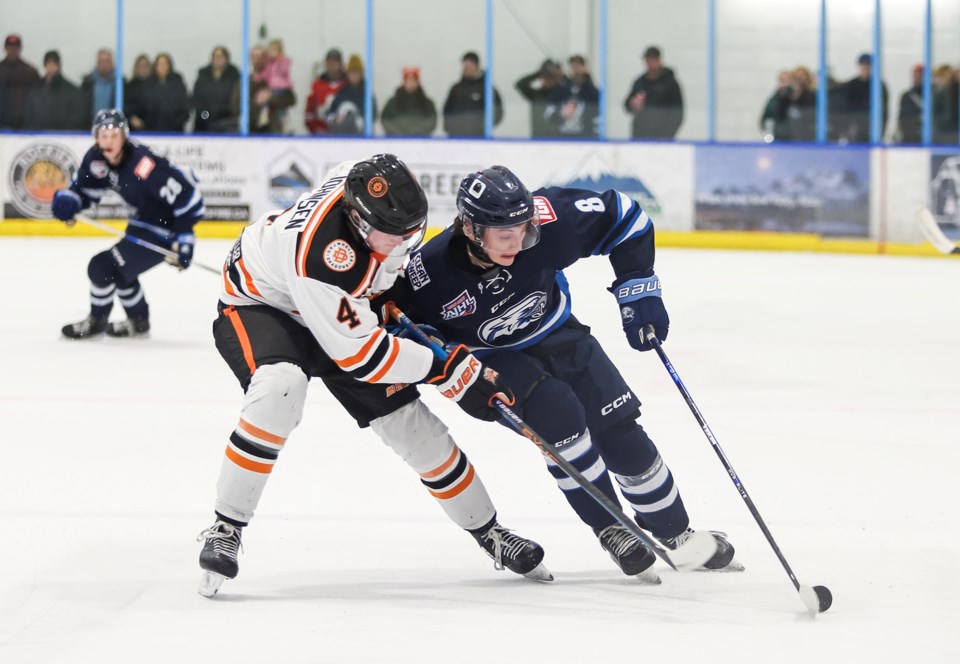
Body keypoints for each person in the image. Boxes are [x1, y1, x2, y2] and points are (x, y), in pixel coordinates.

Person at [196, 153, 549, 597]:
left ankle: (489, 531)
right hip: (263, 306)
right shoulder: (322, 257)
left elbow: (370, 291)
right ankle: (225, 526)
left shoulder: (370, 190)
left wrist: (385, 303)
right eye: (390, 235)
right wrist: (442, 366)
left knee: (413, 427)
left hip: (337, 307)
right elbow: (362, 357)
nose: (402, 242)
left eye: (410, 232)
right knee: (279, 389)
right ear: (358, 222)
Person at [378, 165, 742, 582]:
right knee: (561, 419)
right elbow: (394, 324)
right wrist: (433, 352)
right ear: (471, 228)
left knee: (619, 426)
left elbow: (626, 216)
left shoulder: (550, 220)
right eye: (505, 236)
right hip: (492, 358)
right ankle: (612, 528)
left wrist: (638, 285)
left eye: (524, 230)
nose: (519, 243)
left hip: (558, 332)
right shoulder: (428, 273)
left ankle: (677, 534)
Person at [50, 109, 205, 339]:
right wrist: (69, 201)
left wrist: (185, 240)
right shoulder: (96, 159)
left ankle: (97, 321)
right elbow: (84, 190)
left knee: (102, 267)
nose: (109, 141)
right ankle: (138, 322)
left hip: (165, 229)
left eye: (114, 135)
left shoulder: (144, 164)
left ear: (125, 136)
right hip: (141, 222)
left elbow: (190, 199)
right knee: (122, 273)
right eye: (103, 135)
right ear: (96, 138)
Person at [624, 46, 683, 139]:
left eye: (653, 60)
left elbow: (678, 113)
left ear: (659, 60)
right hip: (640, 135)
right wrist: (633, 104)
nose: (650, 63)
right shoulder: (640, 82)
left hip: (662, 137)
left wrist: (667, 135)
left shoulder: (670, 83)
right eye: (648, 60)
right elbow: (627, 106)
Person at [442, 51, 503, 137]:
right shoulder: (456, 88)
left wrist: (482, 127)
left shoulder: (486, 88)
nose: (466, 67)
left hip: (478, 137)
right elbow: (447, 110)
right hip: (456, 137)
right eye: (464, 64)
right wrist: (450, 128)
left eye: (470, 64)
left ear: (477, 65)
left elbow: (497, 111)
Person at [831, 53, 888, 144]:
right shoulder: (851, 85)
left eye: (868, 65)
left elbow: (884, 109)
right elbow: (846, 108)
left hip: (872, 129)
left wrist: (881, 130)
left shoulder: (879, 85)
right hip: (855, 130)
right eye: (863, 65)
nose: (865, 68)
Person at [24, 50, 86, 130]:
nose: (51, 67)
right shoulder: (36, 89)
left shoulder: (71, 91)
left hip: (63, 137)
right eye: (49, 63)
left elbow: (77, 116)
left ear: (59, 65)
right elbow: (29, 114)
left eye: (54, 63)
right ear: (45, 65)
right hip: (38, 135)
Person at [543, 54, 599, 139]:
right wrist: (560, 114)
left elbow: (599, 116)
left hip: (586, 138)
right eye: (573, 66)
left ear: (585, 68)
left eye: (579, 65)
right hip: (563, 138)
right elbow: (548, 114)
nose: (576, 69)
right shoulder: (560, 91)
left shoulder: (593, 93)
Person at [193, 45, 240, 133]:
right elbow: (197, 99)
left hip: (227, 123)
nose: (218, 59)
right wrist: (205, 116)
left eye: (221, 56)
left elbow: (235, 100)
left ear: (226, 59)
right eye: (215, 56)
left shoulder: (234, 77)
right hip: (204, 123)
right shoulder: (203, 76)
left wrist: (224, 115)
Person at [381, 66, 438, 137]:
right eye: (408, 81)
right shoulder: (392, 102)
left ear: (418, 82)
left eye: (413, 81)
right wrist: (399, 133)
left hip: (420, 142)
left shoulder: (427, 103)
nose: (410, 84)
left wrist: (416, 133)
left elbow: (431, 121)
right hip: (397, 141)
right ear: (404, 82)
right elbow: (385, 120)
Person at [139, 53, 190, 132]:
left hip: (175, 130)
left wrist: (177, 123)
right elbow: (144, 107)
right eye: (160, 64)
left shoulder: (178, 84)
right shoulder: (148, 85)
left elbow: (185, 107)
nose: (162, 67)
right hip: (152, 130)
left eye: (165, 64)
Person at [515, 58, 565, 138]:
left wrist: (560, 75)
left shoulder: (562, 94)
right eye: (544, 77)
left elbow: (573, 86)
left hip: (558, 139)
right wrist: (538, 73)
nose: (546, 80)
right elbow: (520, 84)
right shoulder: (536, 95)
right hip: (538, 139)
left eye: (550, 77)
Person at [326, 53, 375, 135]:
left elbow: (373, 115)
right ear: (347, 74)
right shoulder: (342, 93)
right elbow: (329, 115)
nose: (354, 75)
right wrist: (335, 119)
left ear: (361, 74)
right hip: (341, 137)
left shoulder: (367, 94)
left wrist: (359, 120)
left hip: (361, 136)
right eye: (352, 72)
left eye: (357, 72)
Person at [0, 33, 40, 129]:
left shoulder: (30, 72)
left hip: (26, 125)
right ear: (5, 49)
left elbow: (39, 98)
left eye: (15, 47)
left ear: (20, 49)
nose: (12, 50)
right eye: (10, 47)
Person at [305, 48, 346, 133]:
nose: (332, 66)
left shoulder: (347, 85)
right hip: (321, 135)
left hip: (343, 134)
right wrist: (317, 128)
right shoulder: (317, 85)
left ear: (341, 64)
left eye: (335, 63)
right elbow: (310, 114)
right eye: (329, 63)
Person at [81, 48, 117, 125]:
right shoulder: (87, 84)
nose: (104, 64)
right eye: (101, 61)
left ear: (112, 63)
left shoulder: (121, 84)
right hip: (90, 128)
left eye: (107, 61)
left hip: (113, 128)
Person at [124, 54, 154, 131]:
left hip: (153, 130)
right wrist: (131, 118)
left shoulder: (156, 86)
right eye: (141, 66)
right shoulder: (129, 86)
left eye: (146, 65)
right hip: (133, 130)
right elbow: (125, 107)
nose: (143, 68)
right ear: (136, 68)